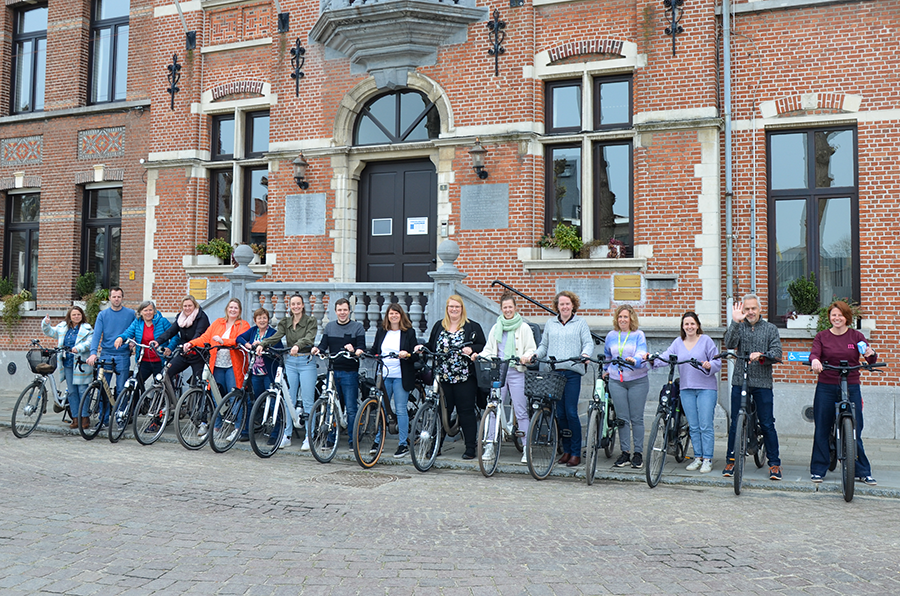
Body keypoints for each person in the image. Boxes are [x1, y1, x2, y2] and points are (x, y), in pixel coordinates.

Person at [809, 300, 878, 485]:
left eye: (840, 315)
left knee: (855, 429)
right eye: (834, 315)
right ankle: (818, 469)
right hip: (826, 385)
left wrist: (870, 353)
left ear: (847, 317)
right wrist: (815, 361)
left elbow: (870, 358)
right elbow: (814, 353)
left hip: (851, 384)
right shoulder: (822, 336)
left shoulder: (856, 336)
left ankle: (862, 471)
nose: (837, 318)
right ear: (829, 317)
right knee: (822, 428)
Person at [722, 294, 783, 480]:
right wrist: (734, 322)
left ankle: (774, 464)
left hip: (762, 382)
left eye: (753, 308)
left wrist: (762, 355)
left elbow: (777, 353)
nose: (750, 312)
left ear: (759, 309)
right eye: (746, 309)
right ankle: (731, 460)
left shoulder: (770, 328)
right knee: (736, 421)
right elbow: (729, 343)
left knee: (767, 423)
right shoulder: (739, 326)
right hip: (740, 380)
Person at [418, 295, 486, 460]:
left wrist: (472, 349)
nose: (454, 309)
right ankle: (436, 447)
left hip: (464, 377)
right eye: (451, 307)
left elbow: (483, 345)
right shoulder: (439, 326)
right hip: (443, 377)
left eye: (457, 307)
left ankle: (470, 448)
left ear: (462, 309)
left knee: (466, 412)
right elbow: (432, 344)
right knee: (441, 412)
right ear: (447, 309)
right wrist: (422, 347)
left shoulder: (472, 327)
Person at [653, 312, 721, 473]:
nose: (689, 327)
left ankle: (707, 459)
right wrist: (650, 359)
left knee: (705, 425)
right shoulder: (678, 342)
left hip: (706, 388)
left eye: (692, 324)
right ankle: (698, 457)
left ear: (697, 325)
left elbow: (717, 361)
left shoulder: (706, 340)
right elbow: (666, 357)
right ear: (683, 327)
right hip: (686, 389)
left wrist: (709, 365)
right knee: (694, 426)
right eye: (686, 324)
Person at [532, 291, 593, 468]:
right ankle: (566, 450)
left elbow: (588, 343)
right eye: (562, 304)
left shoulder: (580, 323)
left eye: (567, 304)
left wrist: (585, 354)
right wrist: (535, 355)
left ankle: (575, 452)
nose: (565, 307)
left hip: (572, 372)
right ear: (557, 306)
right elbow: (544, 345)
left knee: (571, 412)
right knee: (560, 413)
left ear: (573, 305)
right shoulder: (550, 323)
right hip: (555, 373)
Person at [476, 292, 537, 464]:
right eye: (505, 307)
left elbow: (531, 348)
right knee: (493, 407)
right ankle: (490, 445)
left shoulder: (524, 327)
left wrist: (526, 356)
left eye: (510, 307)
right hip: (498, 371)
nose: (508, 310)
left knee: (520, 410)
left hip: (517, 371)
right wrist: (480, 356)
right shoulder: (496, 327)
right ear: (501, 309)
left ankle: (526, 448)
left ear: (515, 308)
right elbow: (489, 349)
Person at [258, 294, 317, 449]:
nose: (296, 306)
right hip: (290, 362)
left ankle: (309, 437)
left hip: (306, 361)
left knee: (308, 400)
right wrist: (263, 344)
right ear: (290, 306)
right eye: (293, 304)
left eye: (298, 304)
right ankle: (287, 434)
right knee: (288, 400)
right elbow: (277, 336)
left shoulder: (310, 321)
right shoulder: (286, 322)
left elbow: (309, 338)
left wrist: (297, 345)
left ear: (302, 305)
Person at [311, 298, 366, 453]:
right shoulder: (329, 327)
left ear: (349, 311)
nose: (342, 313)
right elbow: (323, 345)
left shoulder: (357, 327)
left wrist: (355, 350)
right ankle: (330, 439)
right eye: (340, 310)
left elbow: (361, 348)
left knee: (351, 408)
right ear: (335, 312)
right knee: (332, 406)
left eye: (345, 310)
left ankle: (353, 441)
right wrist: (317, 350)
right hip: (333, 372)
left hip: (349, 372)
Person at [369, 303, 419, 458]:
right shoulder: (382, 331)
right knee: (382, 409)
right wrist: (365, 353)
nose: (394, 316)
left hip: (400, 375)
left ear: (401, 315)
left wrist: (407, 354)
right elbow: (375, 349)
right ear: (387, 316)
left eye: (397, 313)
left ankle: (402, 444)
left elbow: (415, 355)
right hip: (384, 375)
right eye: (391, 313)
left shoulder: (408, 332)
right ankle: (378, 441)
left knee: (400, 409)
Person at [603, 305, 649, 469]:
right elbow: (607, 355)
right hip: (617, 381)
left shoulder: (638, 335)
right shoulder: (611, 335)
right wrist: (605, 370)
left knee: (636, 418)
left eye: (626, 317)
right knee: (622, 419)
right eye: (620, 317)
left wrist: (635, 360)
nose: (622, 320)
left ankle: (638, 453)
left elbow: (642, 352)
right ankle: (625, 452)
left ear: (631, 319)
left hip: (637, 380)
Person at [87, 287, 135, 425]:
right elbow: (97, 335)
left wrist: (133, 341)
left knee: (121, 388)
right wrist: (93, 353)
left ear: (122, 298)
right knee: (103, 388)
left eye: (119, 297)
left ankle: (121, 416)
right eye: (114, 297)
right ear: (109, 298)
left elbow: (136, 330)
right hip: (106, 354)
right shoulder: (103, 315)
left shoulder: (130, 314)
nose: (116, 299)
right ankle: (103, 419)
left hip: (123, 355)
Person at [41, 307, 93, 429]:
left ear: (82, 315)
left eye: (78, 314)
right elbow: (50, 332)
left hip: (81, 363)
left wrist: (78, 348)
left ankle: (84, 417)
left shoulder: (87, 329)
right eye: (74, 315)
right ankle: (75, 417)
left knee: (82, 390)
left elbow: (89, 343)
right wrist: (46, 324)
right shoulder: (63, 327)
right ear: (69, 316)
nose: (76, 317)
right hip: (67, 363)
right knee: (72, 391)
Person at [186, 298, 250, 395]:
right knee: (216, 395)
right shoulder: (218, 322)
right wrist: (191, 343)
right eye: (231, 307)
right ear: (227, 309)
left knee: (233, 395)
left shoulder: (243, 325)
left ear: (240, 311)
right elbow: (205, 337)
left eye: (236, 308)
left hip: (232, 366)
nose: (233, 310)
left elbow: (240, 340)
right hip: (217, 364)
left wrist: (223, 341)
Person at [152, 295, 211, 388]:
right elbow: (171, 331)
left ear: (195, 306)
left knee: (198, 382)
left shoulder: (201, 317)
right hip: (184, 353)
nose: (187, 308)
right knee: (166, 373)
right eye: (185, 306)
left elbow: (199, 333)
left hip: (198, 353)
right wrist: (158, 341)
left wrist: (190, 344)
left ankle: (198, 396)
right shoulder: (180, 317)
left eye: (190, 306)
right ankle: (170, 396)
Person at [237, 307, 278, 441]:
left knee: (273, 402)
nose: (262, 320)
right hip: (255, 373)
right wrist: (248, 345)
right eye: (259, 318)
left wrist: (264, 345)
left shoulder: (273, 333)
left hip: (268, 373)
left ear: (268, 319)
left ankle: (275, 434)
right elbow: (239, 338)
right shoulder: (253, 331)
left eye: (264, 318)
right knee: (251, 402)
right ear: (255, 320)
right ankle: (247, 431)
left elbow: (278, 348)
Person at [114, 300, 171, 386]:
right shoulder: (137, 322)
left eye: (150, 310)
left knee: (162, 386)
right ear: (140, 312)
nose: (148, 313)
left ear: (154, 311)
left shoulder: (162, 321)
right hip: (144, 360)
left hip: (160, 360)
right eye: (145, 310)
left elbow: (174, 336)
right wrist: (120, 337)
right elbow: (128, 332)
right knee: (136, 384)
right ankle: (141, 395)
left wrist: (169, 348)